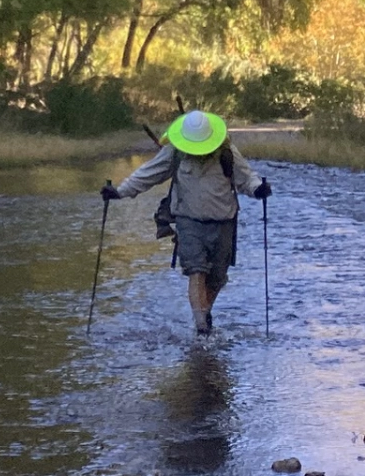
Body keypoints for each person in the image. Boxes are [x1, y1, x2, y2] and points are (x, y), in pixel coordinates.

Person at [102, 109, 270, 336]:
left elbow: (246, 177)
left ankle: (203, 314)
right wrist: (119, 192)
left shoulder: (227, 152)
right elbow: (147, 174)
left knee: (217, 279)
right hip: (188, 221)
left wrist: (258, 189)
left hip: (224, 223)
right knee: (196, 270)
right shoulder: (175, 152)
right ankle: (202, 328)